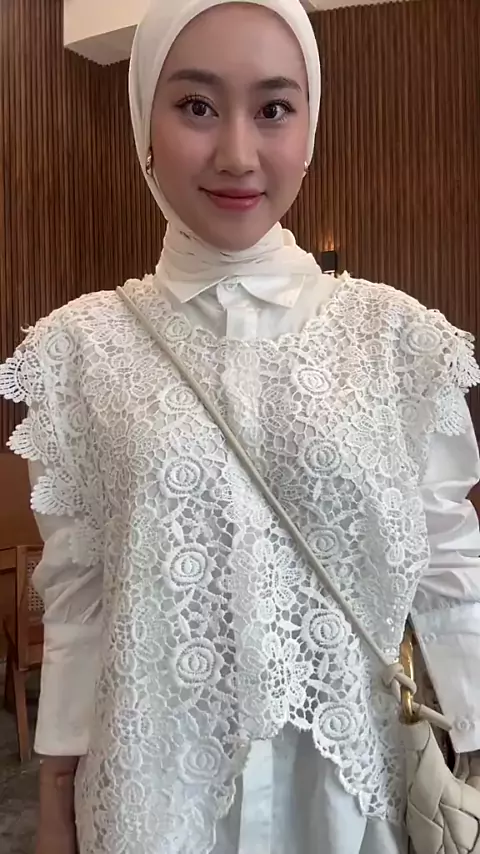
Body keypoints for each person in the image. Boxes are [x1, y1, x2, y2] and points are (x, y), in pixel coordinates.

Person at [1, 0, 479, 852]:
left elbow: (450, 564)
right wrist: (56, 793)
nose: (236, 153)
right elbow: (77, 591)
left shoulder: (398, 341)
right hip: (155, 790)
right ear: (144, 125)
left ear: (310, 127)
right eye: (196, 106)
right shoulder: (80, 351)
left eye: (273, 108)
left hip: (345, 798)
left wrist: (476, 745)